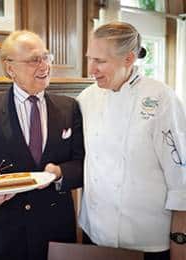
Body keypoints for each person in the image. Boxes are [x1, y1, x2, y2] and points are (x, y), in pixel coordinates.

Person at [77, 21, 186, 260]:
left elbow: (181, 181)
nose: (91, 69)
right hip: (94, 235)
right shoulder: (86, 98)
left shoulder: (161, 99)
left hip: (147, 241)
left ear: (128, 59)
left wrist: (180, 242)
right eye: (89, 58)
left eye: (100, 61)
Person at [0, 30, 84, 260]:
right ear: (10, 68)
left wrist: (60, 173)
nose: (44, 66)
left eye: (46, 57)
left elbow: (83, 164)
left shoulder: (70, 107)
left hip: (56, 230)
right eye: (33, 60)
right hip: (3, 231)